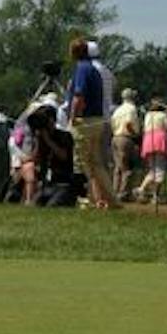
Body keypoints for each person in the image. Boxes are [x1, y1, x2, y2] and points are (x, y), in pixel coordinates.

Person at [67, 40, 116, 209]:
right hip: (99, 119)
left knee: (80, 162)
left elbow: (79, 95)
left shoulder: (82, 68)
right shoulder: (97, 69)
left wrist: (73, 117)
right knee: (97, 163)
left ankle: (85, 198)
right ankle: (111, 199)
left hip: (85, 120)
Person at [136, 100, 167, 205]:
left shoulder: (148, 115)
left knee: (153, 169)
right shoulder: (162, 115)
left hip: (148, 139)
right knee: (160, 170)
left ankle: (142, 189)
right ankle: (154, 195)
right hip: (159, 140)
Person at [110, 87, 142, 200]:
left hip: (115, 137)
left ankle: (114, 191)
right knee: (126, 168)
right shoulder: (132, 108)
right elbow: (128, 123)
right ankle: (123, 193)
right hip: (126, 138)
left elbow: (112, 124)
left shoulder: (117, 110)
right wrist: (136, 135)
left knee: (118, 167)